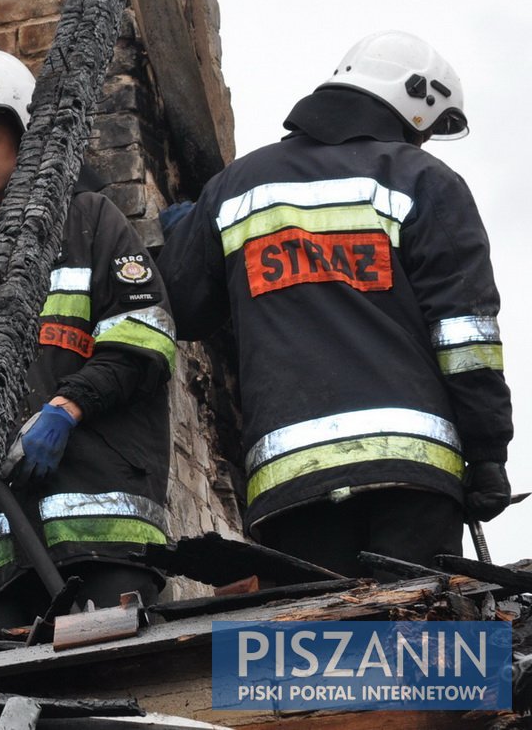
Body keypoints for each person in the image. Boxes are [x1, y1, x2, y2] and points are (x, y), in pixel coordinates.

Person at [158, 31, 513, 578]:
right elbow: (467, 334)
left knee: (316, 658)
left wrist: (187, 239)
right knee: (427, 654)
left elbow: (182, 309)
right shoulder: (423, 181)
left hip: (291, 484)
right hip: (411, 471)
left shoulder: (237, 189)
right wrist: (488, 454)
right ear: (417, 106)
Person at [0, 45, 176, 629]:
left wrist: (67, 408)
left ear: (26, 134)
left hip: (107, 528)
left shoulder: (93, 222)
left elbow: (145, 340)